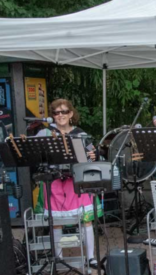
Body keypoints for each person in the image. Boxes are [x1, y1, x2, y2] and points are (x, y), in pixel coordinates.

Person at [35, 98, 102, 268]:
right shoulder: (45, 134)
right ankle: (58, 258)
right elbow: (34, 155)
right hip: (54, 182)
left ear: (71, 114)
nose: (60, 115)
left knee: (86, 219)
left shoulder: (81, 134)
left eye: (64, 111)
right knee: (56, 222)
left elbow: (91, 155)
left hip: (76, 182)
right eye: (56, 113)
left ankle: (91, 257)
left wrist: (94, 156)